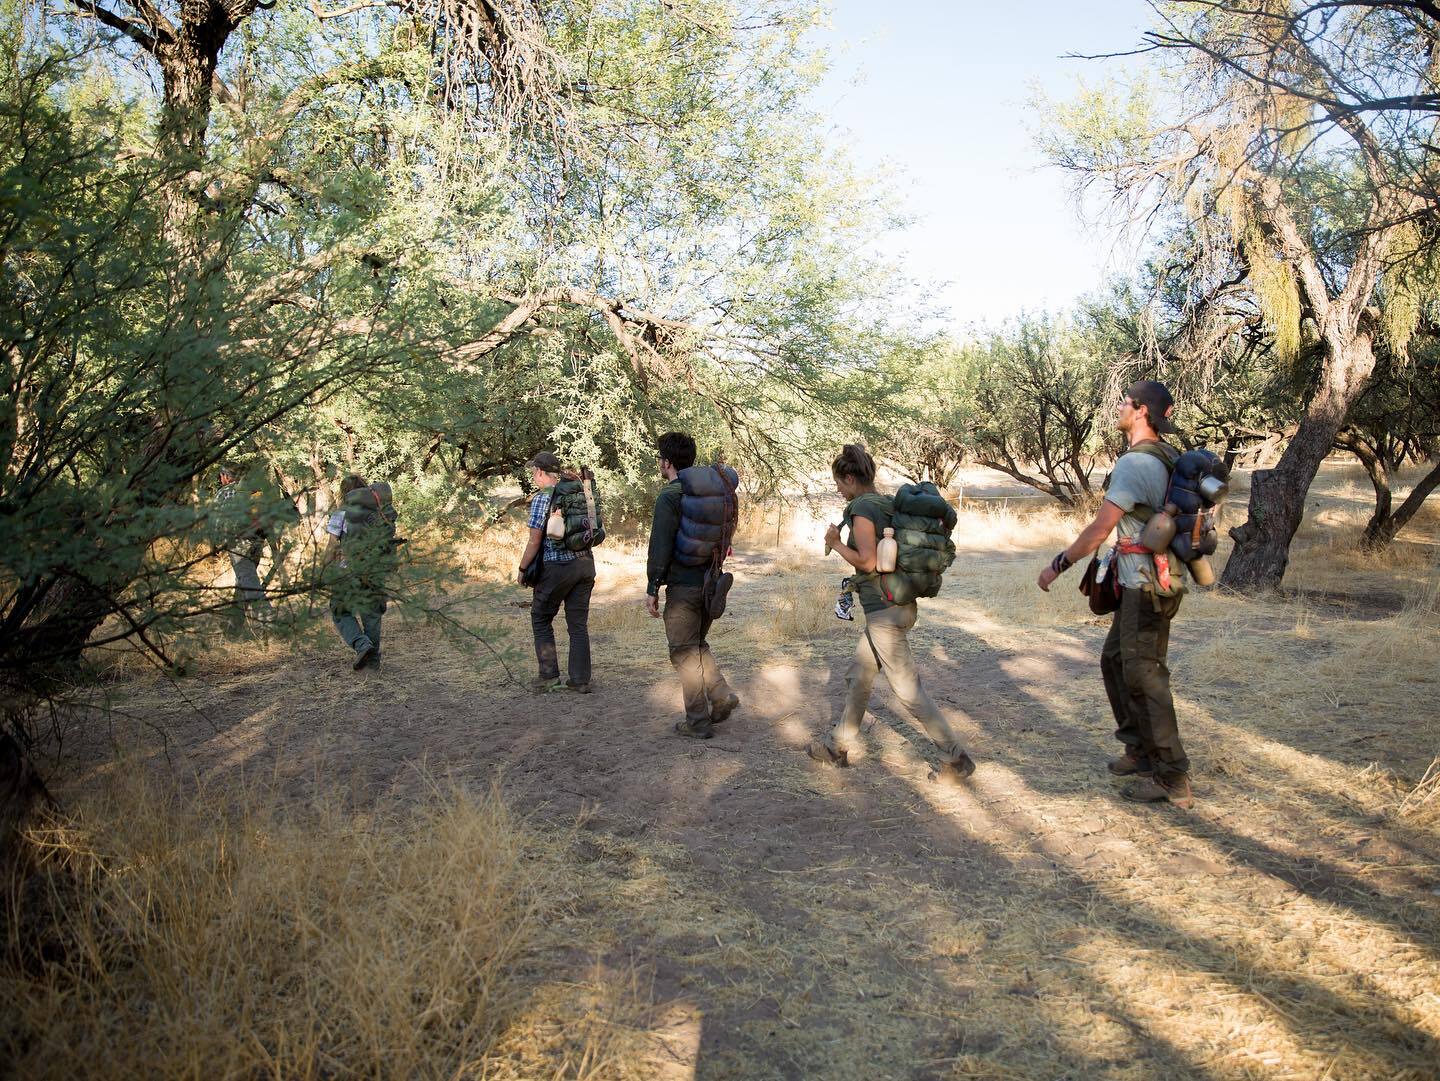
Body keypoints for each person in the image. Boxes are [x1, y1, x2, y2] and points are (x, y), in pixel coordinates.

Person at [1037, 379, 1193, 809]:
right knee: (1115, 661)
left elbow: (1099, 530)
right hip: (1144, 581)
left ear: (1141, 411)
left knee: (1145, 676)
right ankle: (1139, 750)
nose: (1119, 409)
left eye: (1125, 403)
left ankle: (1171, 776)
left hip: (1147, 585)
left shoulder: (1135, 464)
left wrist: (1058, 566)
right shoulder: (1165, 457)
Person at [807, 445, 976, 783]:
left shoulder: (862, 508)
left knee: (907, 690)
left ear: (851, 478)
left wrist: (836, 543)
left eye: (839, 483)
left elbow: (868, 561)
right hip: (897, 606)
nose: (838, 490)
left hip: (885, 612)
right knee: (859, 676)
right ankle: (837, 746)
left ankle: (955, 759)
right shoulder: (885, 503)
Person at [646, 432, 740, 739]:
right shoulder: (710, 494)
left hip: (683, 587)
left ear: (668, 462)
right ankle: (721, 695)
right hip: (711, 582)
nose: (659, 463)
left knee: (684, 653)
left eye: (660, 458)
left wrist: (652, 587)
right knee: (697, 646)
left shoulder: (670, 496)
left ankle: (697, 721)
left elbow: (660, 545)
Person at [517, 451, 596, 694]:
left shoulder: (544, 498)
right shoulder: (578, 492)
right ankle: (580, 680)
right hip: (585, 565)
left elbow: (534, 540)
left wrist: (522, 569)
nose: (533, 476)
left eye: (534, 472)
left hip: (557, 567)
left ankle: (549, 676)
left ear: (540, 472)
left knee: (540, 617)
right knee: (578, 624)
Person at [325, 473, 393, 670]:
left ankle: (361, 644)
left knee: (340, 610)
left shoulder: (341, 514)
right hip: (375, 570)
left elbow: (331, 547)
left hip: (349, 571)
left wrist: (323, 569)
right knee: (371, 613)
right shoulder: (379, 512)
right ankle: (373, 662)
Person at [216, 463, 274, 628]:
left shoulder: (224, 493)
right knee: (243, 581)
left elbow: (217, 520)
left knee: (247, 580)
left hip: (238, 542)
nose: (221, 480)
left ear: (226, 476)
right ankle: (234, 624)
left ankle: (267, 616)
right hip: (257, 540)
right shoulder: (255, 491)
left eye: (221, 476)